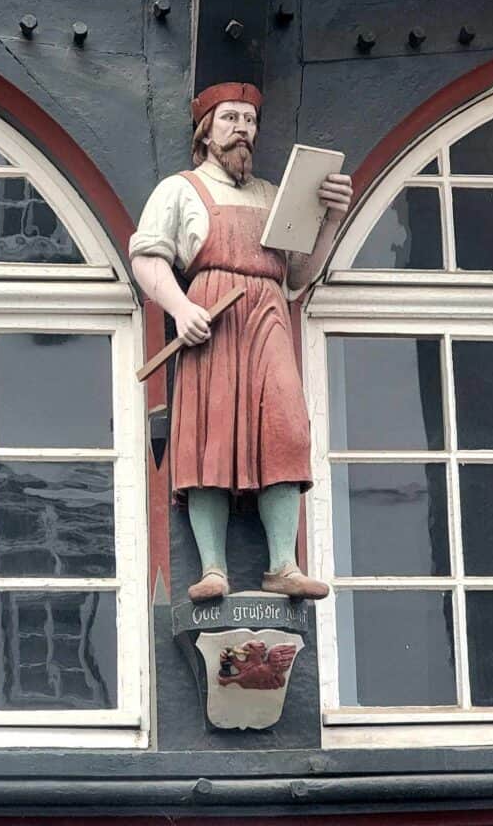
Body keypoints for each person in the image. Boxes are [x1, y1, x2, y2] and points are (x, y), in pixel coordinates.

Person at [130, 82, 352, 602]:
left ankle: (282, 564)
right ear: (206, 132)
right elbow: (147, 257)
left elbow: (297, 276)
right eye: (230, 119)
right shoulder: (180, 189)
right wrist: (181, 308)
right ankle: (213, 568)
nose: (243, 131)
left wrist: (332, 219)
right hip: (214, 317)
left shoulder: (274, 196)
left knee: (285, 429)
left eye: (250, 121)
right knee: (207, 436)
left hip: (269, 314)